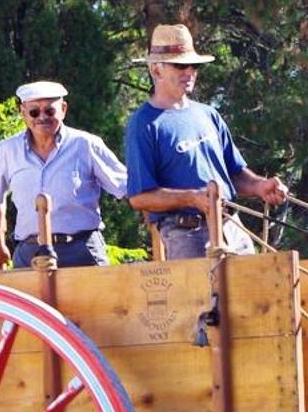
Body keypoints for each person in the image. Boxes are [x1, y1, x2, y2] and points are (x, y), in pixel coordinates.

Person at [123, 24, 288, 260]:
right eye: (180, 65)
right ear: (156, 70)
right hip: (185, 235)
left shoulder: (209, 114)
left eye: (194, 65)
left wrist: (260, 186)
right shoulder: (144, 124)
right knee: (200, 299)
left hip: (232, 226)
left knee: (258, 293)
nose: (189, 71)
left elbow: (235, 172)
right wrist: (192, 198)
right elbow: (139, 197)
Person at [0, 79, 127, 269]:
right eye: (34, 112)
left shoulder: (86, 145)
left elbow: (128, 188)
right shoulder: (7, 150)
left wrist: (156, 217)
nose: (42, 117)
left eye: (50, 111)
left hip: (81, 251)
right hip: (30, 252)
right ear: (23, 113)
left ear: (63, 109)